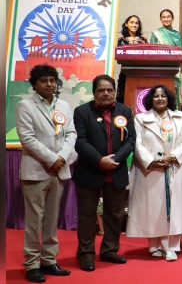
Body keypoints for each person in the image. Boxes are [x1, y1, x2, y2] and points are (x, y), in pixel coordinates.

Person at [17, 64, 77, 283]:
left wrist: (61, 158)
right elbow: (27, 138)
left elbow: (71, 133)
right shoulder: (25, 106)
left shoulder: (63, 105)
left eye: (52, 80)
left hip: (59, 171)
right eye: (44, 81)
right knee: (35, 220)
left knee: (52, 219)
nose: (50, 84)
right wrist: (53, 159)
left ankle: (49, 260)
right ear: (35, 84)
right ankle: (31, 263)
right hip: (36, 171)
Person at [72, 75, 134, 272]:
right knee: (87, 216)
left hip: (116, 171)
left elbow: (131, 140)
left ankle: (109, 250)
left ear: (115, 91)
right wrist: (100, 161)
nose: (106, 93)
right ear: (94, 92)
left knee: (115, 215)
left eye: (109, 90)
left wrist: (114, 160)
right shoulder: (82, 111)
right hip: (90, 170)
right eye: (101, 90)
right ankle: (86, 254)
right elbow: (80, 141)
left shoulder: (125, 111)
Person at [126, 84, 182, 261]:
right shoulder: (140, 119)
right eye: (156, 96)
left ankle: (171, 246)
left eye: (163, 95)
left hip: (174, 167)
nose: (160, 98)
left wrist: (173, 156)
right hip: (152, 169)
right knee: (153, 208)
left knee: (174, 208)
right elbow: (137, 144)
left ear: (168, 98)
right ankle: (154, 245)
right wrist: (151, 160)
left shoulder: (180, 117)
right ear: (150, 99)